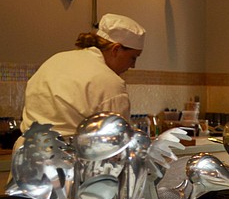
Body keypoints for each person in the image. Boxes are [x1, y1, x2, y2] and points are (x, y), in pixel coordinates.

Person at [19, 13, 145, 141]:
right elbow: (117, 140)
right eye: (133, 57)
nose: (133, 65)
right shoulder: (110, 82)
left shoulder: (56, 59)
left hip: (26, 152)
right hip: (66, 155)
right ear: (115, 49)